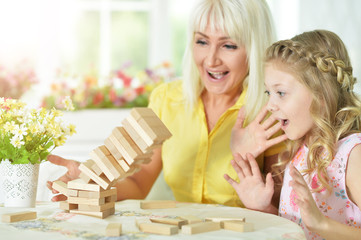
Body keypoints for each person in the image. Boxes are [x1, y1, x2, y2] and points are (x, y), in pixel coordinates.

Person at [47, 0, 286, 207]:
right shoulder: (166, 100)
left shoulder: (272, 111)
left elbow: (281, 211)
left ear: (254, 50)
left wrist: (245, 163)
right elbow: (139, 183)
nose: (211, 60)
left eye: (228, 45)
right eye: (202, 42)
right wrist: (92, 181)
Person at [225, 29, 361, 239]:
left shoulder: (353, 155)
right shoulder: (301, 151)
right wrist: (263, 208)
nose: (270, 105)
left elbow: (316, 225)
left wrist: (322, 225)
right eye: (268, 93)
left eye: (281, 93)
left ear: (321, 93)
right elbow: (298, 229)